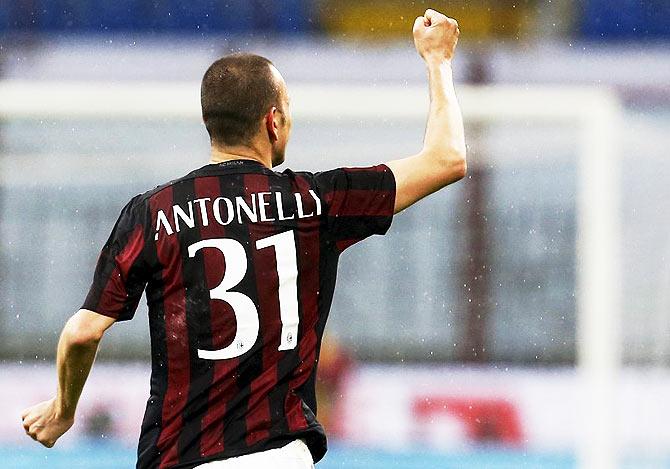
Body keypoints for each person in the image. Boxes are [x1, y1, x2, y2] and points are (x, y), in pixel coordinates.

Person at [21, 8, 465, 469]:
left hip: (181, 455)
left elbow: (82, 332)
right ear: (274, 121)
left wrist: (62, 411)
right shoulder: (315, 201)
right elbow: (447, 159)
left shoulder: (152, 213)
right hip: (278, 455)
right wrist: (438, 61)